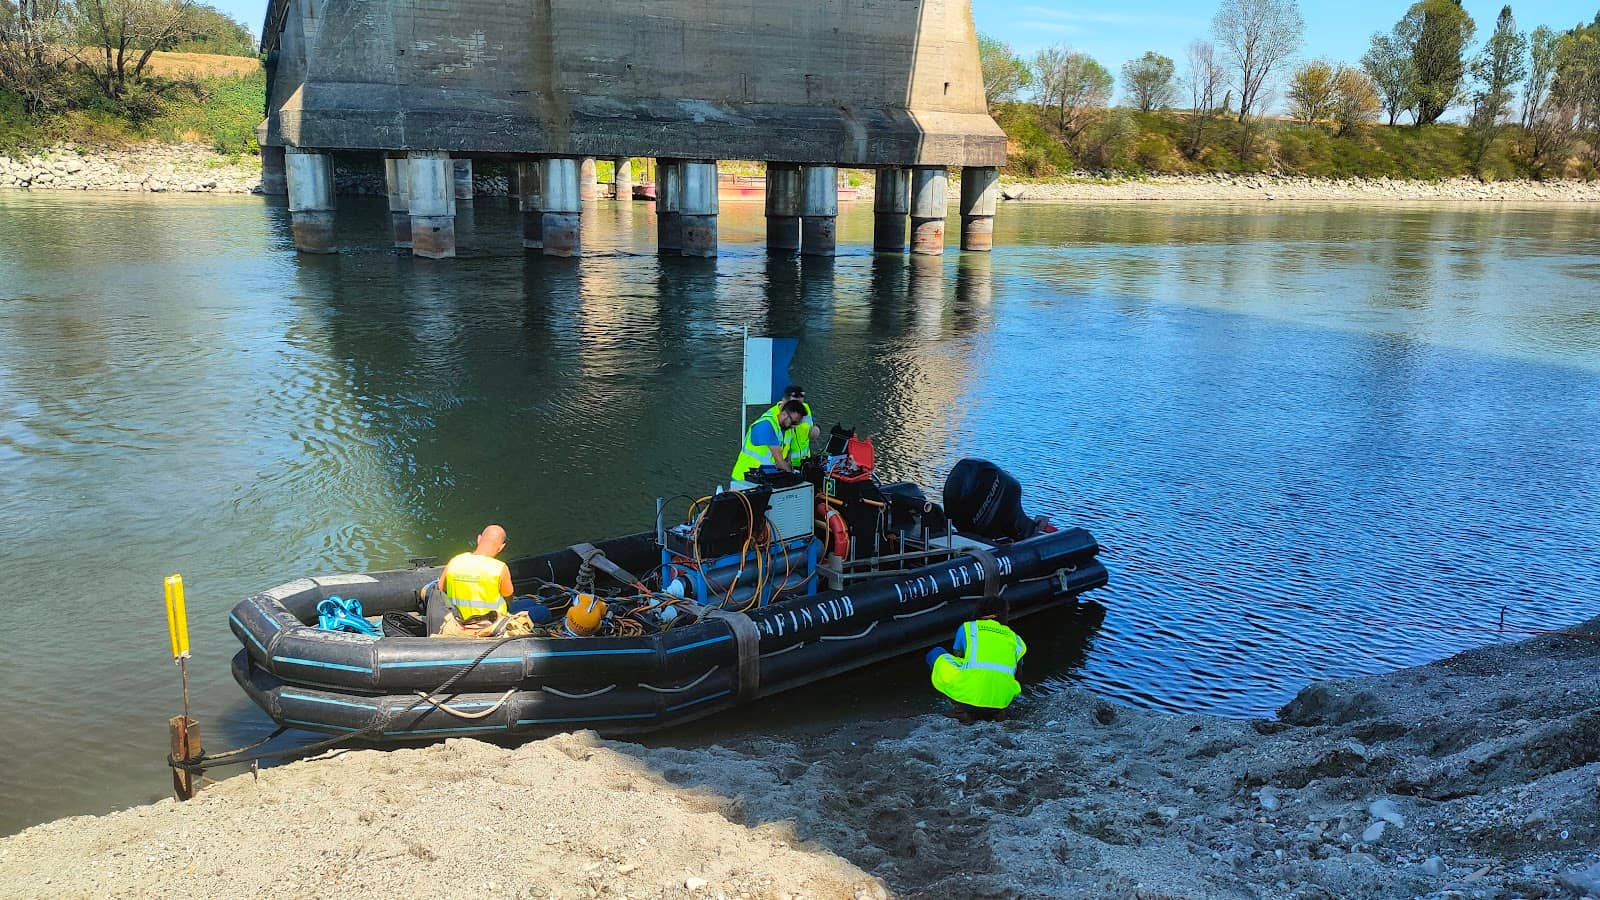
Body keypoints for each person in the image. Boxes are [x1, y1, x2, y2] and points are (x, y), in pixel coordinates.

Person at [925, 594, 1027, 722]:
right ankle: (997, 712)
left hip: (969, 699)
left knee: (936, 653)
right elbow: (1019, 677)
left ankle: (961, 709)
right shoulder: (1016, 639)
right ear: (1003, 614)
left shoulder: (968, 628)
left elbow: (958, 657)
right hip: (1000, 702)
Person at [430, 524, 514, 632]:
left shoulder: (455, 561)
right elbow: (509, 598)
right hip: (491, 626)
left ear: (479, 539)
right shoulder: (500, 568)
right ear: (502, 547)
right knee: (540, 611)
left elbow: (439, 591)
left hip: (457, 623)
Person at [731, 398, 808, 481]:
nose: (794, 426)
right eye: (793, 422)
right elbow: (779, 462)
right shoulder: (765, 426)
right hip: (743, 479)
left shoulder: (786, 430)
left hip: (761, 478)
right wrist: (794, 476)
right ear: (784, 414)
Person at [766, 384, 822, 467]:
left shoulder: (805, 408)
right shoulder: (777, 416)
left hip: (805, 462)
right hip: (787, 465)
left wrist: (815, 430)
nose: (799, 408)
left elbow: (811, 429)